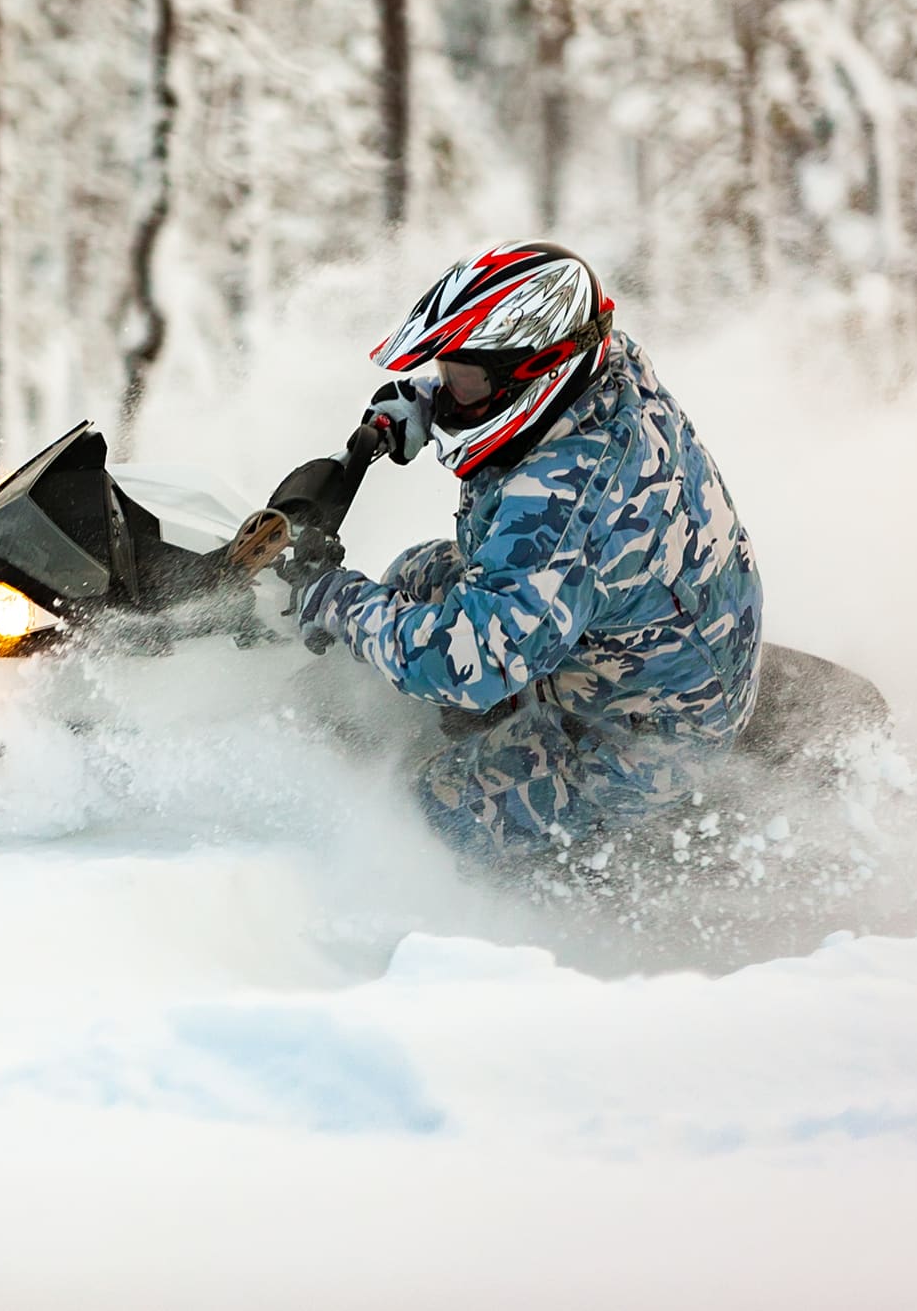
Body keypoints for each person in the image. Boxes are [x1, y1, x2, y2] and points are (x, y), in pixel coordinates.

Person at [295, 240, 763, 868]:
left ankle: (552, 904)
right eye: (448, 372)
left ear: (540, 369)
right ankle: (472, 721)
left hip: (643, 734)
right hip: (634, 639)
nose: (449, 386)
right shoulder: (600, 365)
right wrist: (436, 405)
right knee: (416, 574)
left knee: (422, 816)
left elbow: (469, 661)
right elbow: (509, 404)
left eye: (462, 377)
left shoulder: (568, 495)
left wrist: (335, 599)